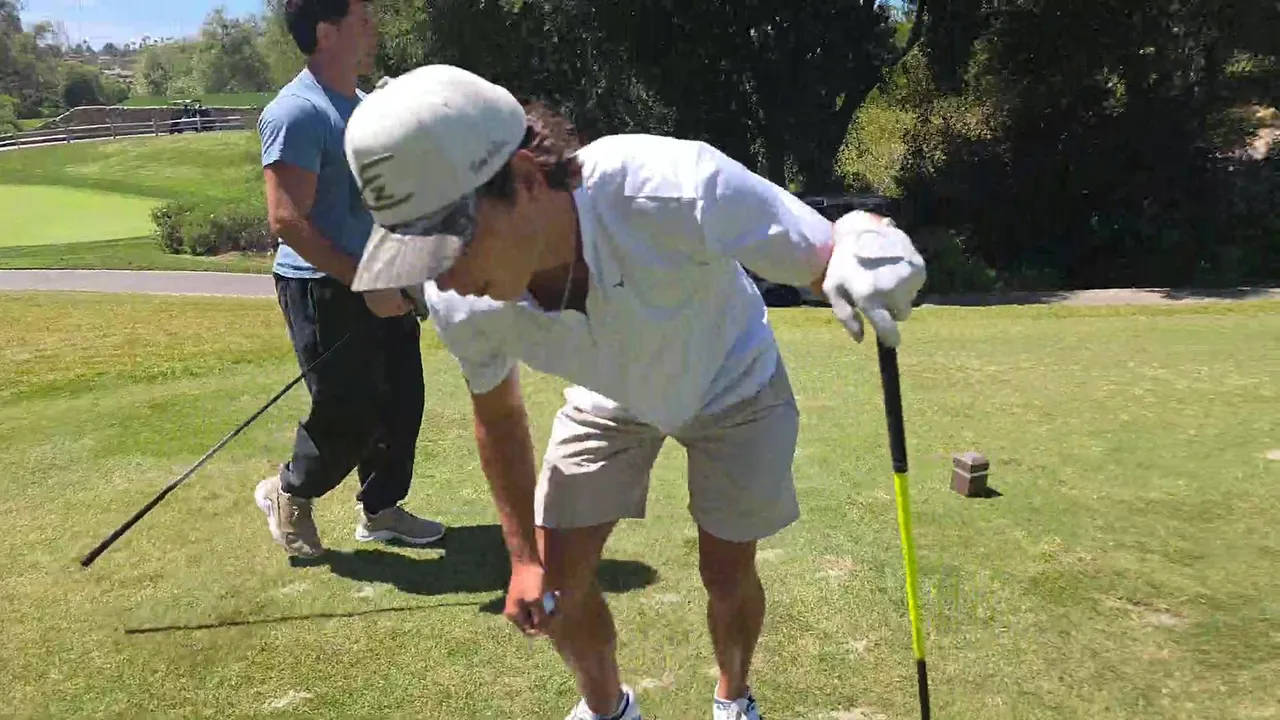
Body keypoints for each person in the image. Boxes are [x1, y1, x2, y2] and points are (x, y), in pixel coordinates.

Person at [342, 65, 927, 720]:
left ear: (526, 180)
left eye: (448, 246)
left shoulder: (671, 185)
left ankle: (733, 698)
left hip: (733, 376)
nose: (441, 279)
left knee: (727, 574)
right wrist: (523, 558)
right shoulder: (461, 302)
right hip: (610, 395)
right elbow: (498, 416)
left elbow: (826, 253)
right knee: (556, 586)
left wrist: (868, 241)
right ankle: (609, 710)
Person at [251, 0, 445, 558]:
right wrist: (366, 283)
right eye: (361, 18)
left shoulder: (364, 107)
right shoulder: (297, 112)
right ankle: (288, 492)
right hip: (323, 286)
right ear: (326, 32)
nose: (373, 27)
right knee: (349, 411)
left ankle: (381, 510)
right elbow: (287, 219)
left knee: (401, 403)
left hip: (382, 276)